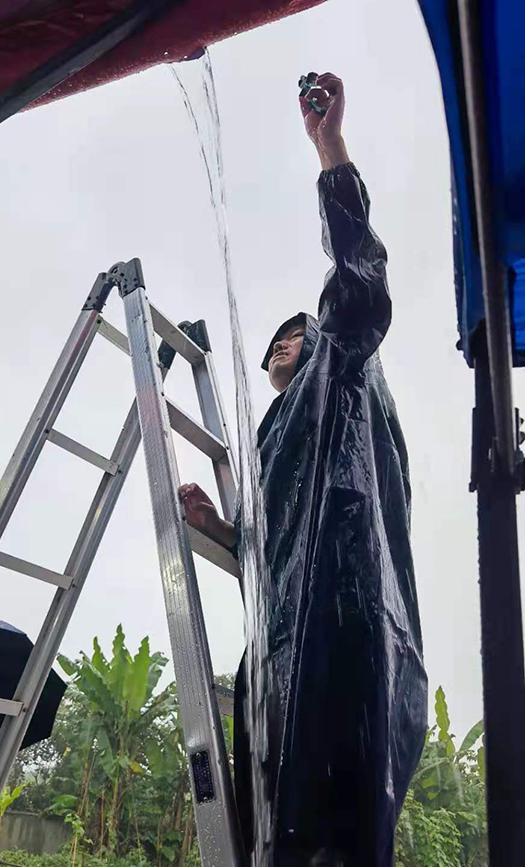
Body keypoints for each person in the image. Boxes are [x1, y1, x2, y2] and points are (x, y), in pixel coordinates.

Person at [179, 73, 427, 867]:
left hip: (346, 622)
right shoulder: (273, 434)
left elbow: (359, 283)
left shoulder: (342, 371)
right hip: (279, 643)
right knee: (271, 828)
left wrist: (330, 148)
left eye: (295, 332)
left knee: (336, 828)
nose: (285, 343)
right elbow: (270, 547)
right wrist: (224, 531)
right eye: (276, 343)